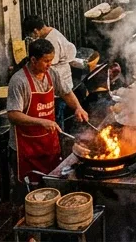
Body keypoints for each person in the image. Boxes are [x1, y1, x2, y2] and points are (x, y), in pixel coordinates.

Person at [7, 39, 88, 183]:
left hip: (49, 143)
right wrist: (41, 121)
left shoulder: (51, 73)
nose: (49, 64)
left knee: (51, 182)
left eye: (51, 60)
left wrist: (78, 108)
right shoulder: (19, 81)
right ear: (33, 60)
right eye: (46, 61)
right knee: (30, 189)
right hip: (27, 147)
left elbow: (66, 93)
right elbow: (13, 115)